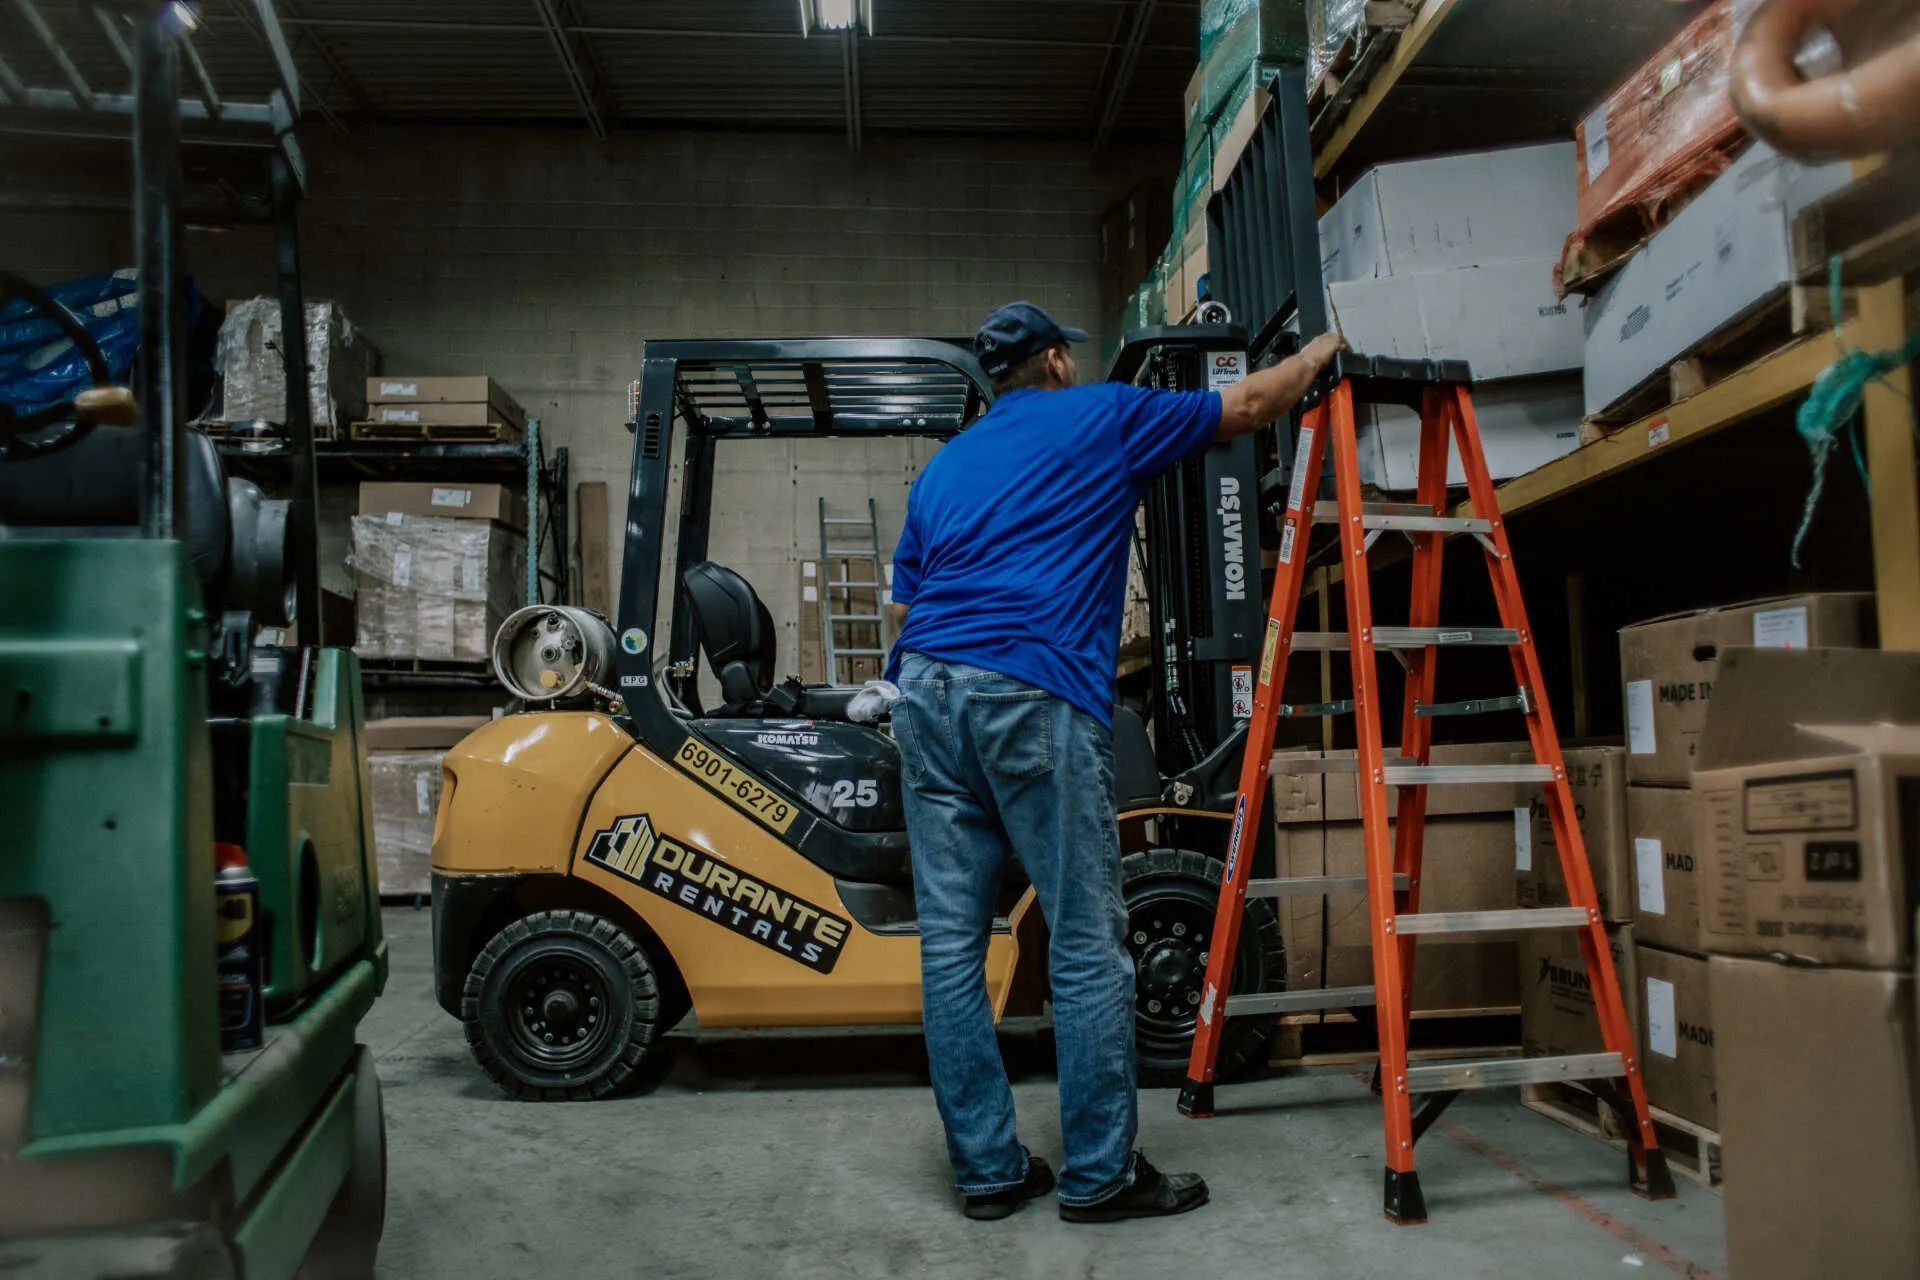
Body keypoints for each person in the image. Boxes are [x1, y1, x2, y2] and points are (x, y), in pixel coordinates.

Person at [885, 302, 1345, 1222]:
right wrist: (1325, 349)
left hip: (926, 697)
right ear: (1055, 360)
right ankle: (1100, 1175)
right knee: (1090, 944)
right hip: (1030, 687)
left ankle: (989, 1172)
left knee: (949, 948)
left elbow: (905, 607)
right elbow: (1251, 404)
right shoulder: (1103, 412)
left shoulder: (943, 469)